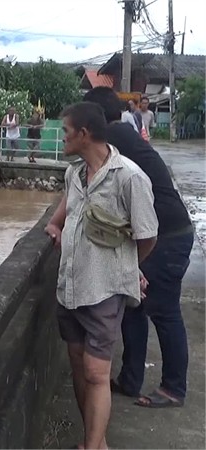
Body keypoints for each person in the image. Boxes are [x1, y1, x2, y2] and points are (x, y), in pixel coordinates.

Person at [44, 101, 158, 450]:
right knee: (79, 368)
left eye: (65, 132)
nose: (61, 138)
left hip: (104, 291)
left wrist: (127, 267)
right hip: (71, 289)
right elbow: (62, 215)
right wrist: (53, 227)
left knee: (96, 373)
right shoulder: (74, 175)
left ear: (84, 134)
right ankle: (96, 439)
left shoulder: (129, 178)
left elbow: (148, 235)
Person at [83, 86, 194, 408]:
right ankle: (131, 380)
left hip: (166, 237)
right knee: (134, 308)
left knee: (164, 311)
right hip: (162, 232)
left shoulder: (115, 140)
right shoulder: (123, 136)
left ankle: (174, 388)